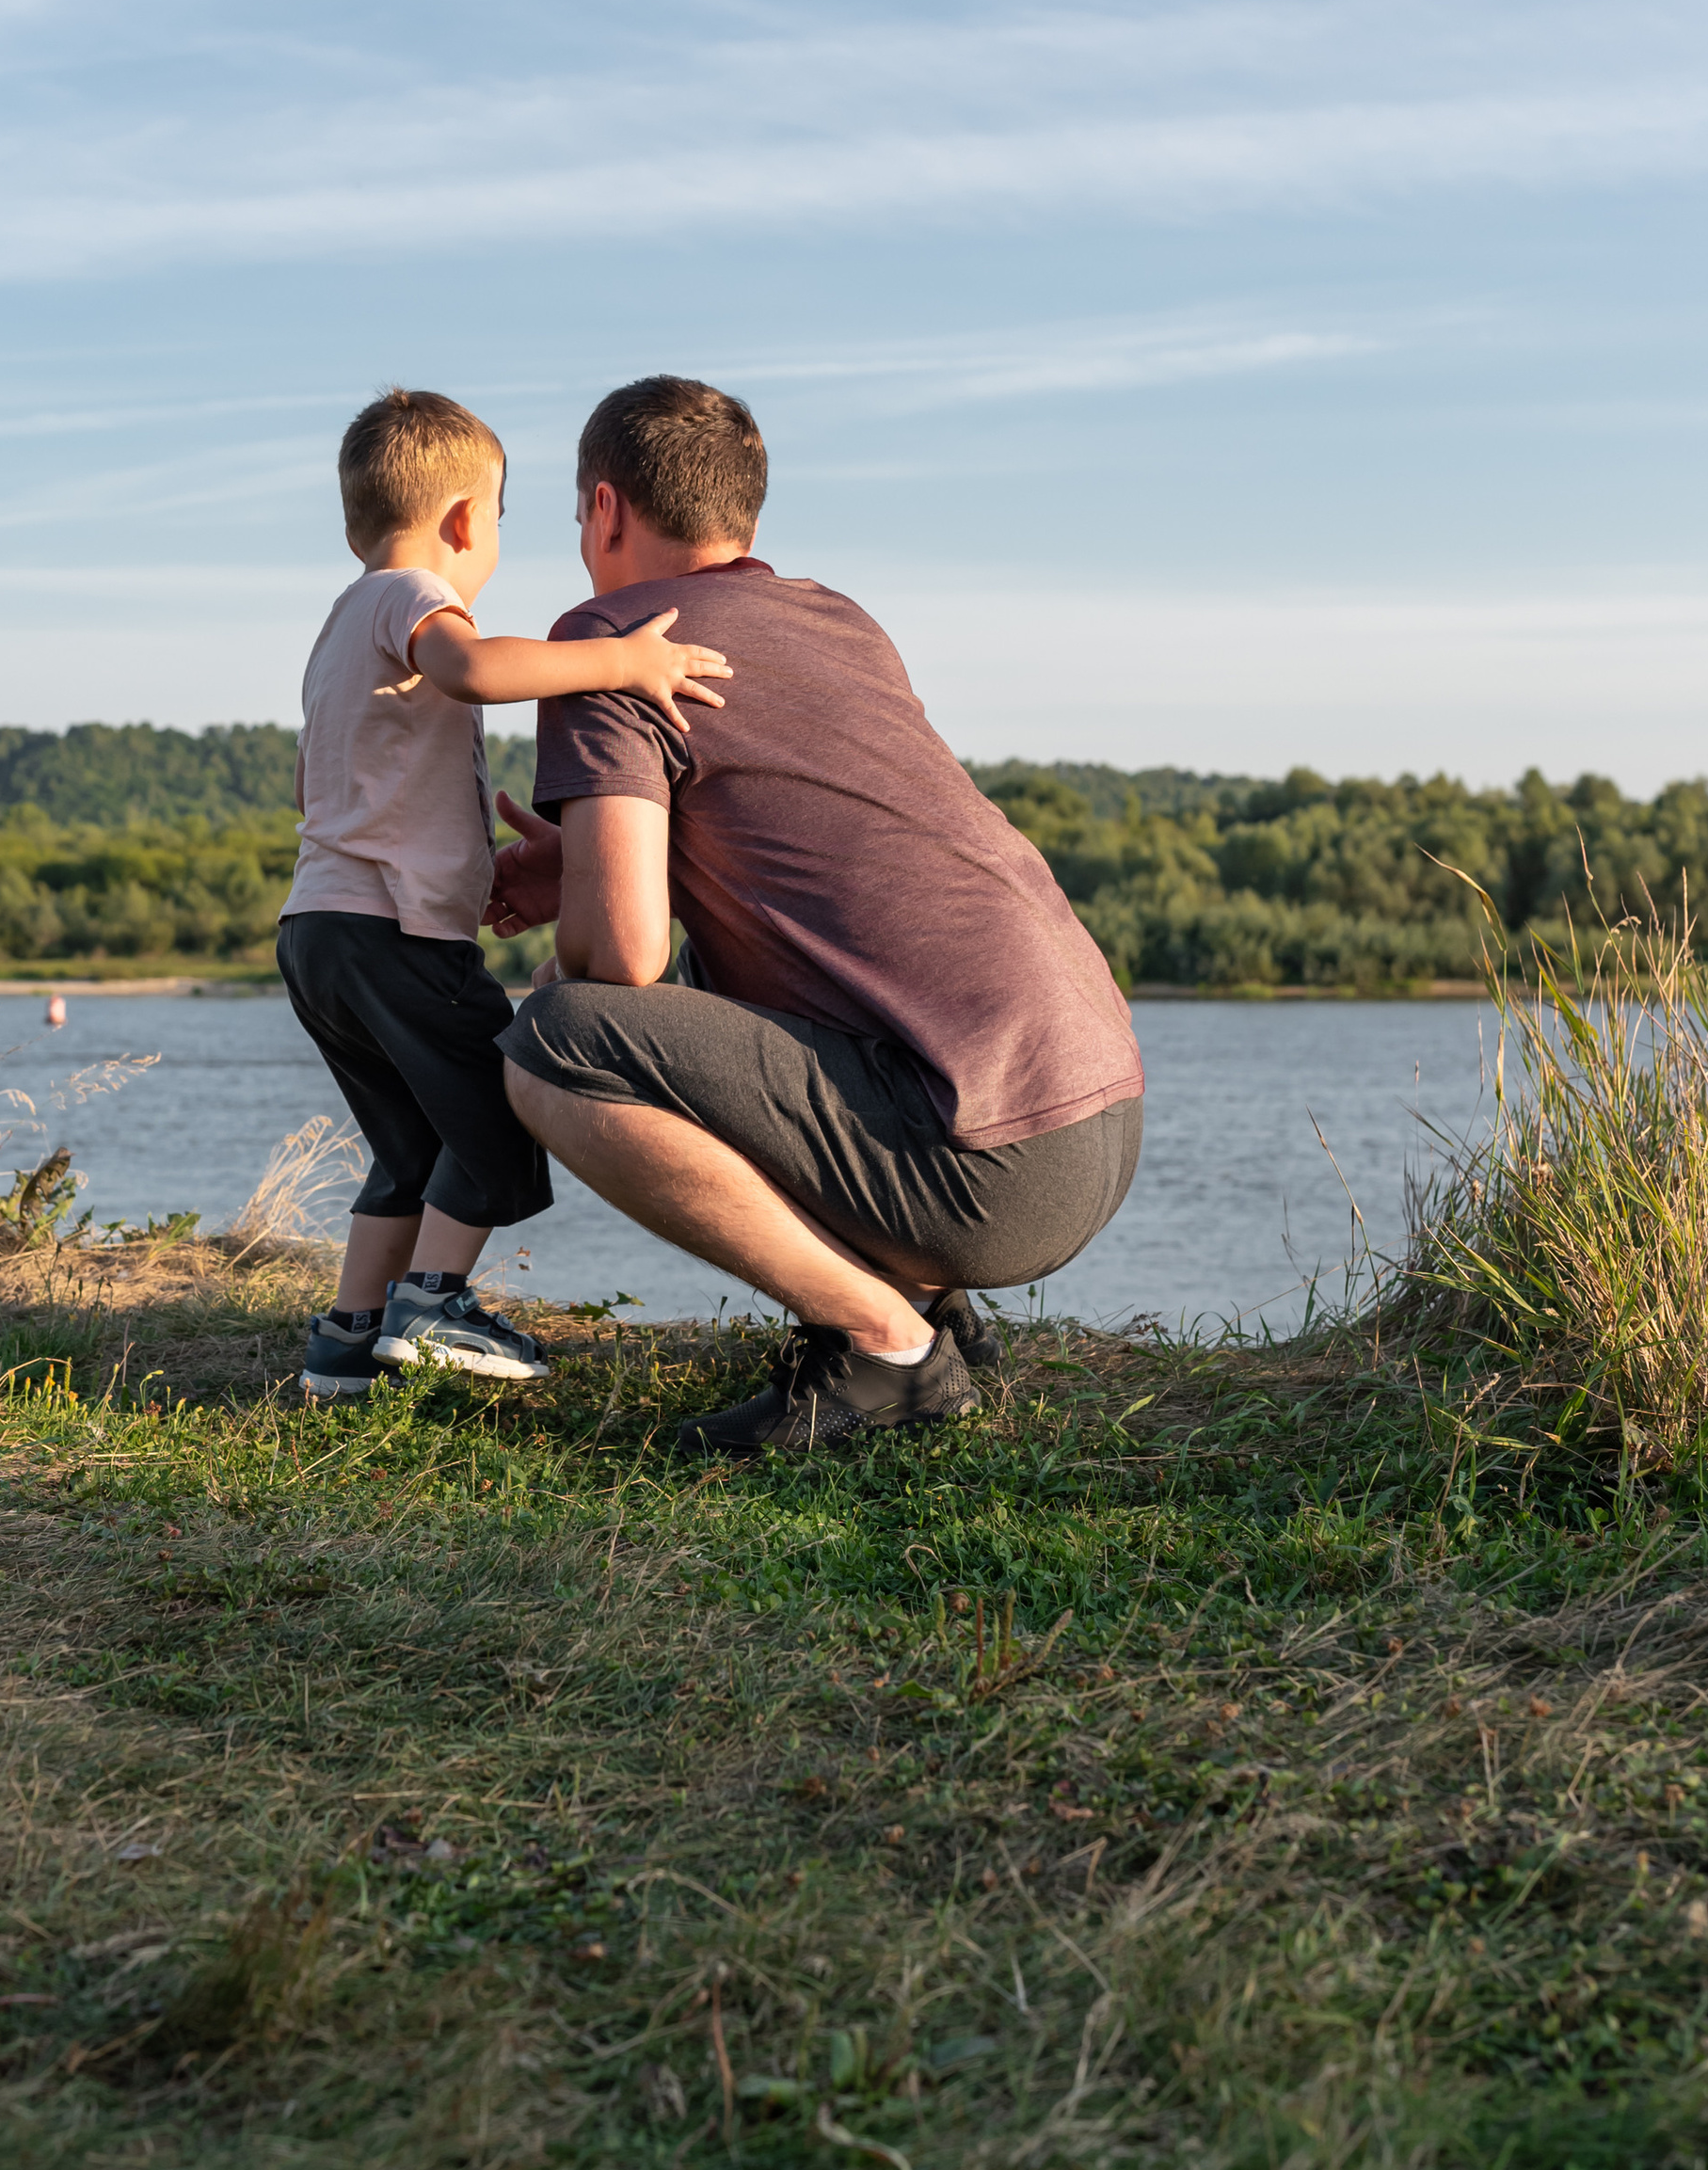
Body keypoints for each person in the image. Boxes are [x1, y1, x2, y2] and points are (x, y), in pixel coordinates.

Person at [487, 374, 1143, 1455]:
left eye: (576, 519)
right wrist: (603, 856)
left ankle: (887, 1347)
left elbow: (621, 954)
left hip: (987, 1166)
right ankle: (928, 1305)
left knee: (555, 1038)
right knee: (705, 987)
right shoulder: (836, 619)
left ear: (604, 509)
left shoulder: (607, 639)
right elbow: (832, 862)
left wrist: (594, 903)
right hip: (1098, 1120)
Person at [279, 385, 732, 1404]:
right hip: (393, 937)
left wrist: (482, 871)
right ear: (465, 521)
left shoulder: (338, 627)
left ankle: (346, 1342)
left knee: (409, 1148)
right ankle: (432, 1303)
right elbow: (475, 669)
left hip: (321, 934)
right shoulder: (409, 596)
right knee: (496, 1116)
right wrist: (619, 660)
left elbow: (345, 790)